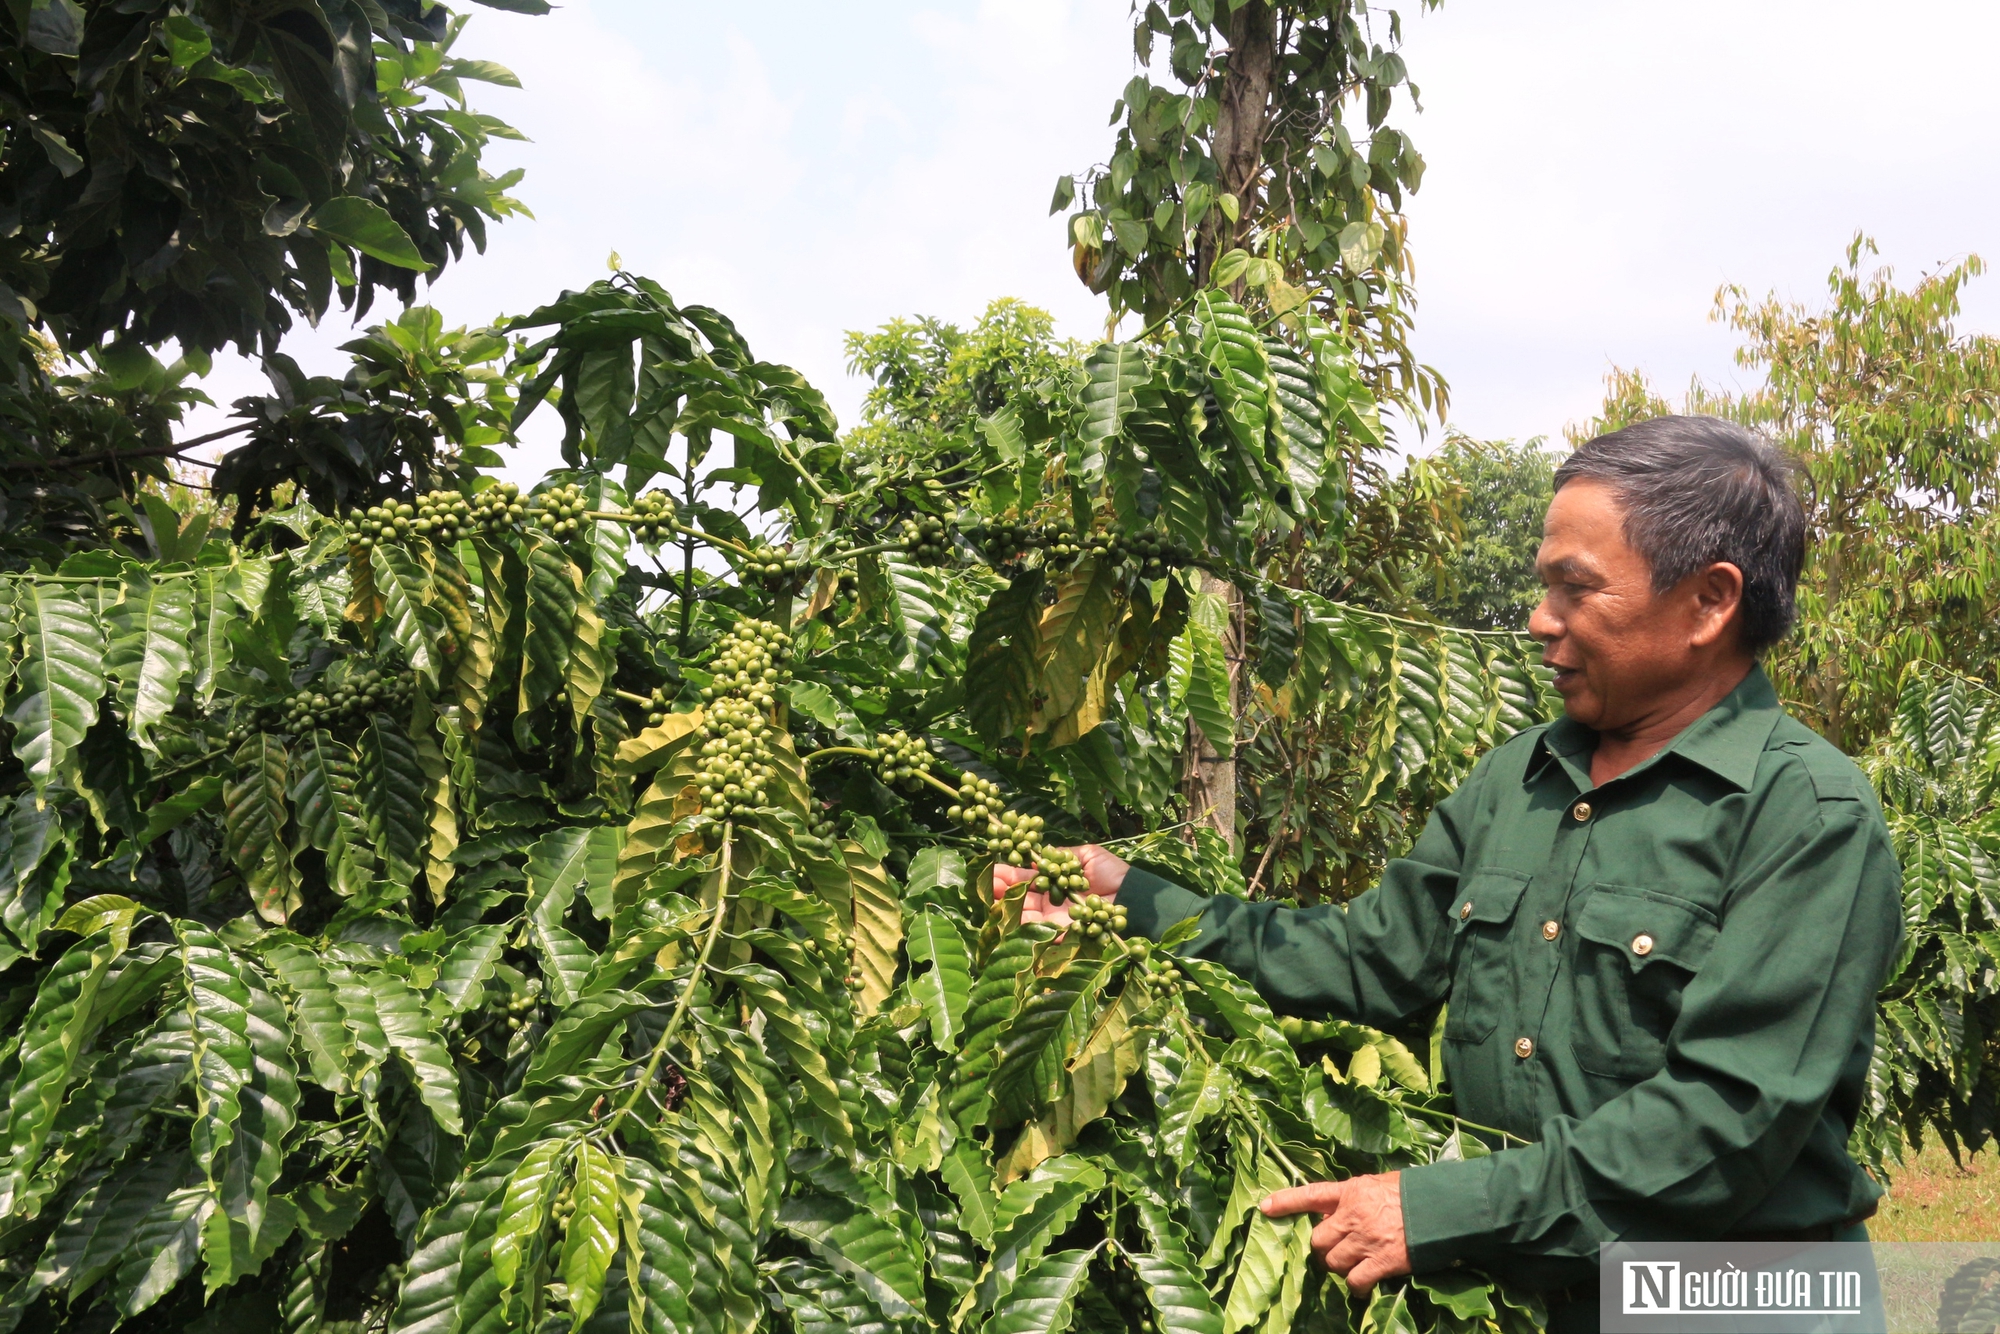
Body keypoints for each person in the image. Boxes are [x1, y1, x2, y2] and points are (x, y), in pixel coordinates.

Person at [995, 416, 1903, 1334]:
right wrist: (1129, 898)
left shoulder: (1806, 816)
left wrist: (1436, 1211)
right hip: (1526, 1298)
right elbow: (1366, 958)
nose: (1541, 620)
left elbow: (1724, 1122)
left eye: (1575, 588)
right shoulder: (1520, 780)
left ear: (1709, 603)